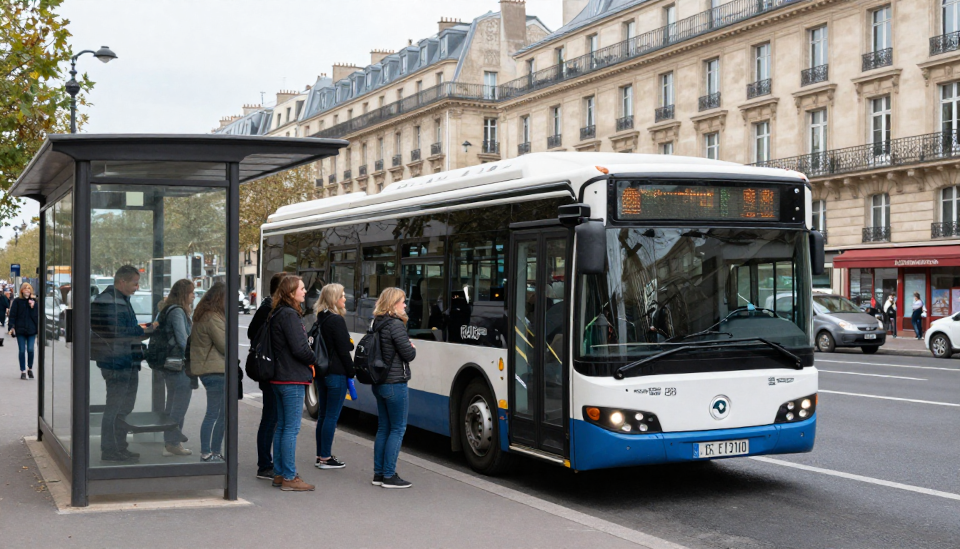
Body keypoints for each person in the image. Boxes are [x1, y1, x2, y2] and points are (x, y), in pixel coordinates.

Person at [90, 266, 156, 463]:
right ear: (122, 282)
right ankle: (111, 450)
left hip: (121, 359)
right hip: (118, 361)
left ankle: (118, 447)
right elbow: (119, 332)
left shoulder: (115, 300)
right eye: (135, 283)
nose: (137, 287)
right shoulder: (113, 302)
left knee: (121, 408)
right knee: (116, 408)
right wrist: (145, 330)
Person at [269, 275, 316, 491]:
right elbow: (300, 348)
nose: (305, 292)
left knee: (281, 427)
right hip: (292, 377)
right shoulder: (290, 315)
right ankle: (289, 476)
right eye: (302, 289)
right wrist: (315, 359)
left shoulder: (278, 312)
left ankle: (280, 473)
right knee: (291, 429)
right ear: (290, 292)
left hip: (279, 377)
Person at [371, 287, 416, 489]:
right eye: (402, 301)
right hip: (394, 383)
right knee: (397, 429)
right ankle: (389, 475)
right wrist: (411, 347)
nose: (405, 305)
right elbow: (408, 354)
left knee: (383, 428)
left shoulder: (377, 323)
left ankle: (379, 473)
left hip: (379, 383)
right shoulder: (396, 325)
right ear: (393, 304)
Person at [247, 271, 288, 480]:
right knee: (271, 418)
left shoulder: (270, 308)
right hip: (271, 371)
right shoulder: (269, 309)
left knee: (273, 418)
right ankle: (264, 464)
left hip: (271, 370)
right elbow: (253, 334)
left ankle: (269, 462)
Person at [313, 283, 355, 470]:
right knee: (331, 416)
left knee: (323, 415)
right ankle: (325, 458)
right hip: (336, 372)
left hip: (321, 372)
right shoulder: (336, 320)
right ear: (334, 299)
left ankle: (320, 455)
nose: (345, 299)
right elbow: (344, 349)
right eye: (342, 296)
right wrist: (351, 371)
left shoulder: (320, 318)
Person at [155, 279, 195, 457]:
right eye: (191, 292)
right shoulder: (178, 312)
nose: (194, 295)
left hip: (169, 364)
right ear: (183, 294)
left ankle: (170, 442)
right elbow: (183, 339)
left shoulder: (168, 309)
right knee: (179, 405)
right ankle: (173, 442)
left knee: (171, 404)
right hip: (178, 364)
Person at [191, 282, 227, 462]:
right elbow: (224, 345)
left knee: (218, 413)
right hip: (215, 370)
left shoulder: (203, 315)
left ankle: (212, 451)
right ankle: (208, 451)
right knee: (215, 413)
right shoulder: (213, 317)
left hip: (209, 370)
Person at [8, 282, 39, 379]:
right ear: (22, 290)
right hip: (20, 329)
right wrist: (11, 327)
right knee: (22, 350)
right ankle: (23, 370)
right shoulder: (17, 301)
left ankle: (30, 368)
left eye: (29, 289)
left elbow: (37, 317)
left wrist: (33, 307)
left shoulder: (34, 301)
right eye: (25, 289)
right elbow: (12, 315)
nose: (27, 290)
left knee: (30, 349)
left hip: (31, 330)